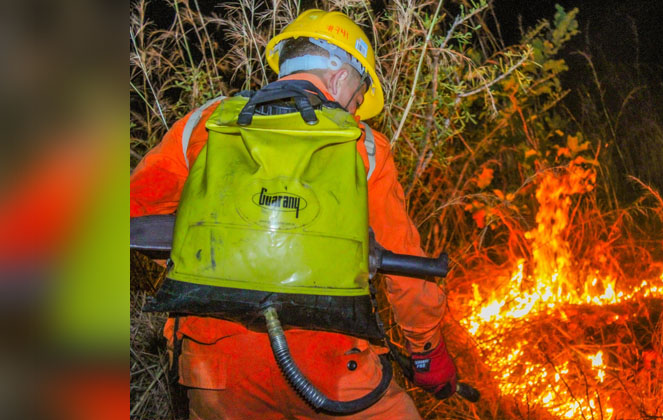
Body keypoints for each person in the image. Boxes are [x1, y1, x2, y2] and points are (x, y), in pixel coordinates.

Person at [130, 9, 457, 419]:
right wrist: (426, 352)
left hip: (215, 369)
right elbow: (407, 275)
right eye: (358, 97)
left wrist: (213, 257)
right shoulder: (365, 148)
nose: (355, 110)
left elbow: (135, 215)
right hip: (332, 366)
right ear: (340, 77)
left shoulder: (205, 125)